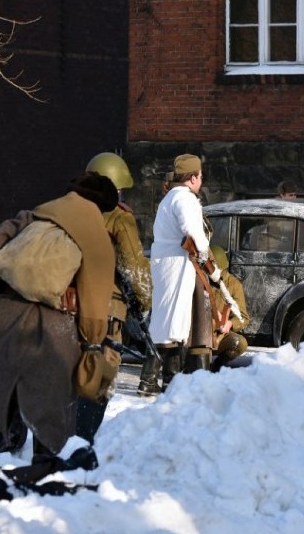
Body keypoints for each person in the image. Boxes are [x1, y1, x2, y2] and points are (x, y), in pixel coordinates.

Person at [0, 171, 118, 459]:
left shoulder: (35, 215)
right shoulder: (97, 238)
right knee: (52, 403)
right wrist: (93, 342)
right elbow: (95, 302)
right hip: (52, 330)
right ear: (103, 207)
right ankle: (47, 462)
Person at [76, 152, 152, 443]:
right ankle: (82, 442)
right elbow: (134, 265)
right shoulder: (120, 217)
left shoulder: (74, 210)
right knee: (101, 375)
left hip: (72, 303)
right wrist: (144, 301)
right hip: (106, 309)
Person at [139, 154, 219, 396]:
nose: (201, 180)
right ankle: (166, 381)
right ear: (193, 177)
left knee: (166, 322)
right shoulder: (184, 199)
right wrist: (205, 251)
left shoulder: (169, 199)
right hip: (176, 264)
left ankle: (155, 379)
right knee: (172, 323)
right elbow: (192, 230)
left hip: (168, 263)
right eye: (200, 176)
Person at [209, 245, 250, 371]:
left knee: (240, 343)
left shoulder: (233, 285)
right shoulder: (199, 280)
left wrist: (230, 324)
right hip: (200, 334)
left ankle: (218, 366)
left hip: (219, 336)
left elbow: (243, 318)